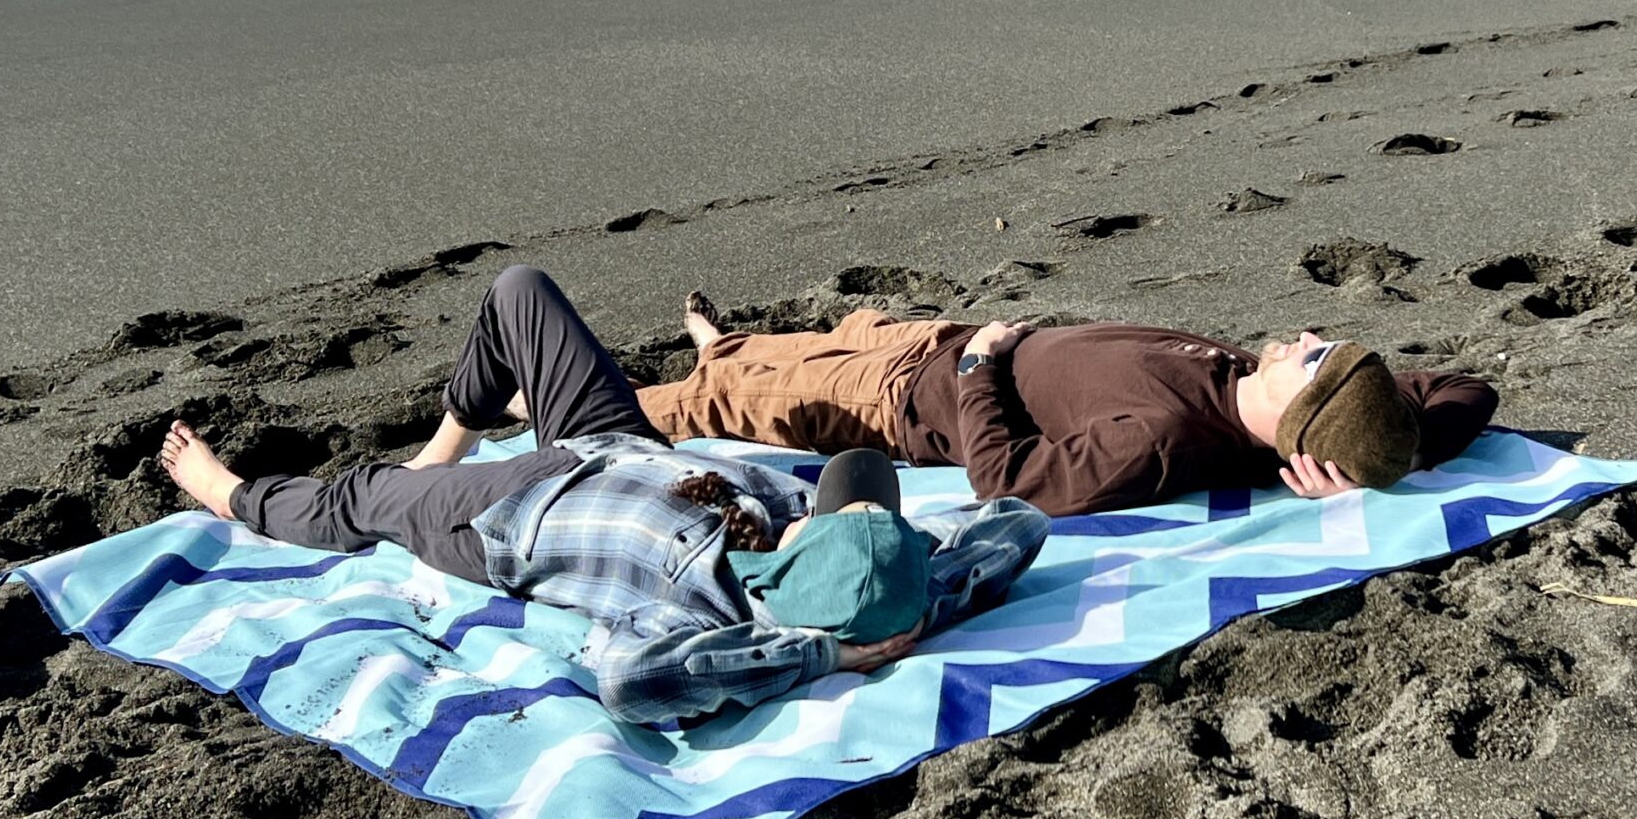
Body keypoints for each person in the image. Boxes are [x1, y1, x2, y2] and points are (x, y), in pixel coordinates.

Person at [156, 265, 1046, 725]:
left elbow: (633, 685)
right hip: (619, 448)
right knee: (521, 293)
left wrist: (825, 657)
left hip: (510, 515)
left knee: (368, 497)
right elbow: (1015, 522)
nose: (833, 505)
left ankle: (231, 494)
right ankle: (448, 438)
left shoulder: (708, 619)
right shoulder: (875, 570)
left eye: (839, 514)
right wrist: (927, 602)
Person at [633, 288, 1499, 517]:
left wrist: (978, 371)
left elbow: (1008, 483)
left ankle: (522, 402)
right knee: (785, 349)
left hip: (898, 400)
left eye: (1310, 359)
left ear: (1306, 425)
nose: (1301, 337)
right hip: (929, 339)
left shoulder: (1167, 438)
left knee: (683, 405)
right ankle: (725, 346)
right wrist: (1407, 451)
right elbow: (1468, 390)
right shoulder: (1244, 384)